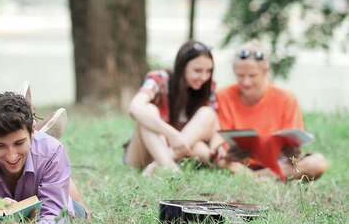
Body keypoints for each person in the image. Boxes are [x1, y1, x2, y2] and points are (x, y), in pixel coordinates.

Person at [0, 92, 88, 224]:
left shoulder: (52, 152)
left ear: (32, 131)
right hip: (2, 211)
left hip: (46, 199)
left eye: (19, 143)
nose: (11, 156)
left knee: (75, 212)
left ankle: (63, 184)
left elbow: (55, 217)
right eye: (0, 145)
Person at [216, 40, 328, 180]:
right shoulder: (223, 96)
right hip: (239, 163)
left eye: (252, 76)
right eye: (240, 75)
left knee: (317, 163)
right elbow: (222, 144)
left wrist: (293, 152)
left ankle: (255, 178)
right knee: (220, 159)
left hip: (278, 163)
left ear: (266, 72)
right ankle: (263, 178)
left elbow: (294, 148)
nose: (246, 82)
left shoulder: (286, 98)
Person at [124, 40, 223, 175]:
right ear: (182, 67)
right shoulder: (160, 79)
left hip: (176, 152)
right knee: (148, 111)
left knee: (207, 114)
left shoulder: (207, 89)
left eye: (208, 71)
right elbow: (134, 108)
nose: (204, 77)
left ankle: (163, 164)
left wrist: (217, 148)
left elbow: (214, 127)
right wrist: (172, 134)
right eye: (197, 70)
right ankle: (170, 169)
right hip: (142, 154)